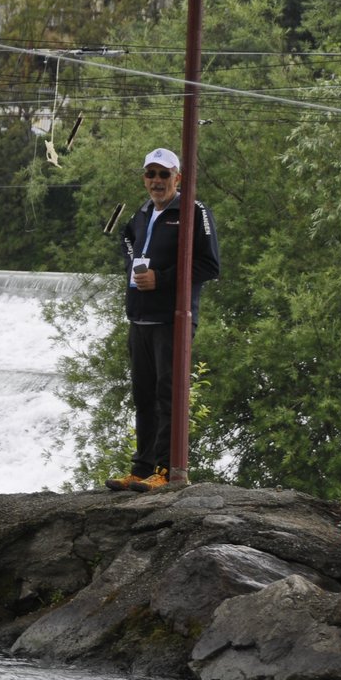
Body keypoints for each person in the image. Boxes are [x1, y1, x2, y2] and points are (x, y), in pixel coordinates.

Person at [106, 147, 221, 492]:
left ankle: (166, 470)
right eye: (150, 174)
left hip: (173, 320)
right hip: (139, 318)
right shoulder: (142, 213)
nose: (156, 181)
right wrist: (134, 267)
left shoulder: (193, 211)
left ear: (178, 178)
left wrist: (162, 278)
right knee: (143, 395)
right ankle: (141, 468)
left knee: (168, 395)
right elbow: (127, 239)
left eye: (163, 174)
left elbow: (209, 266)